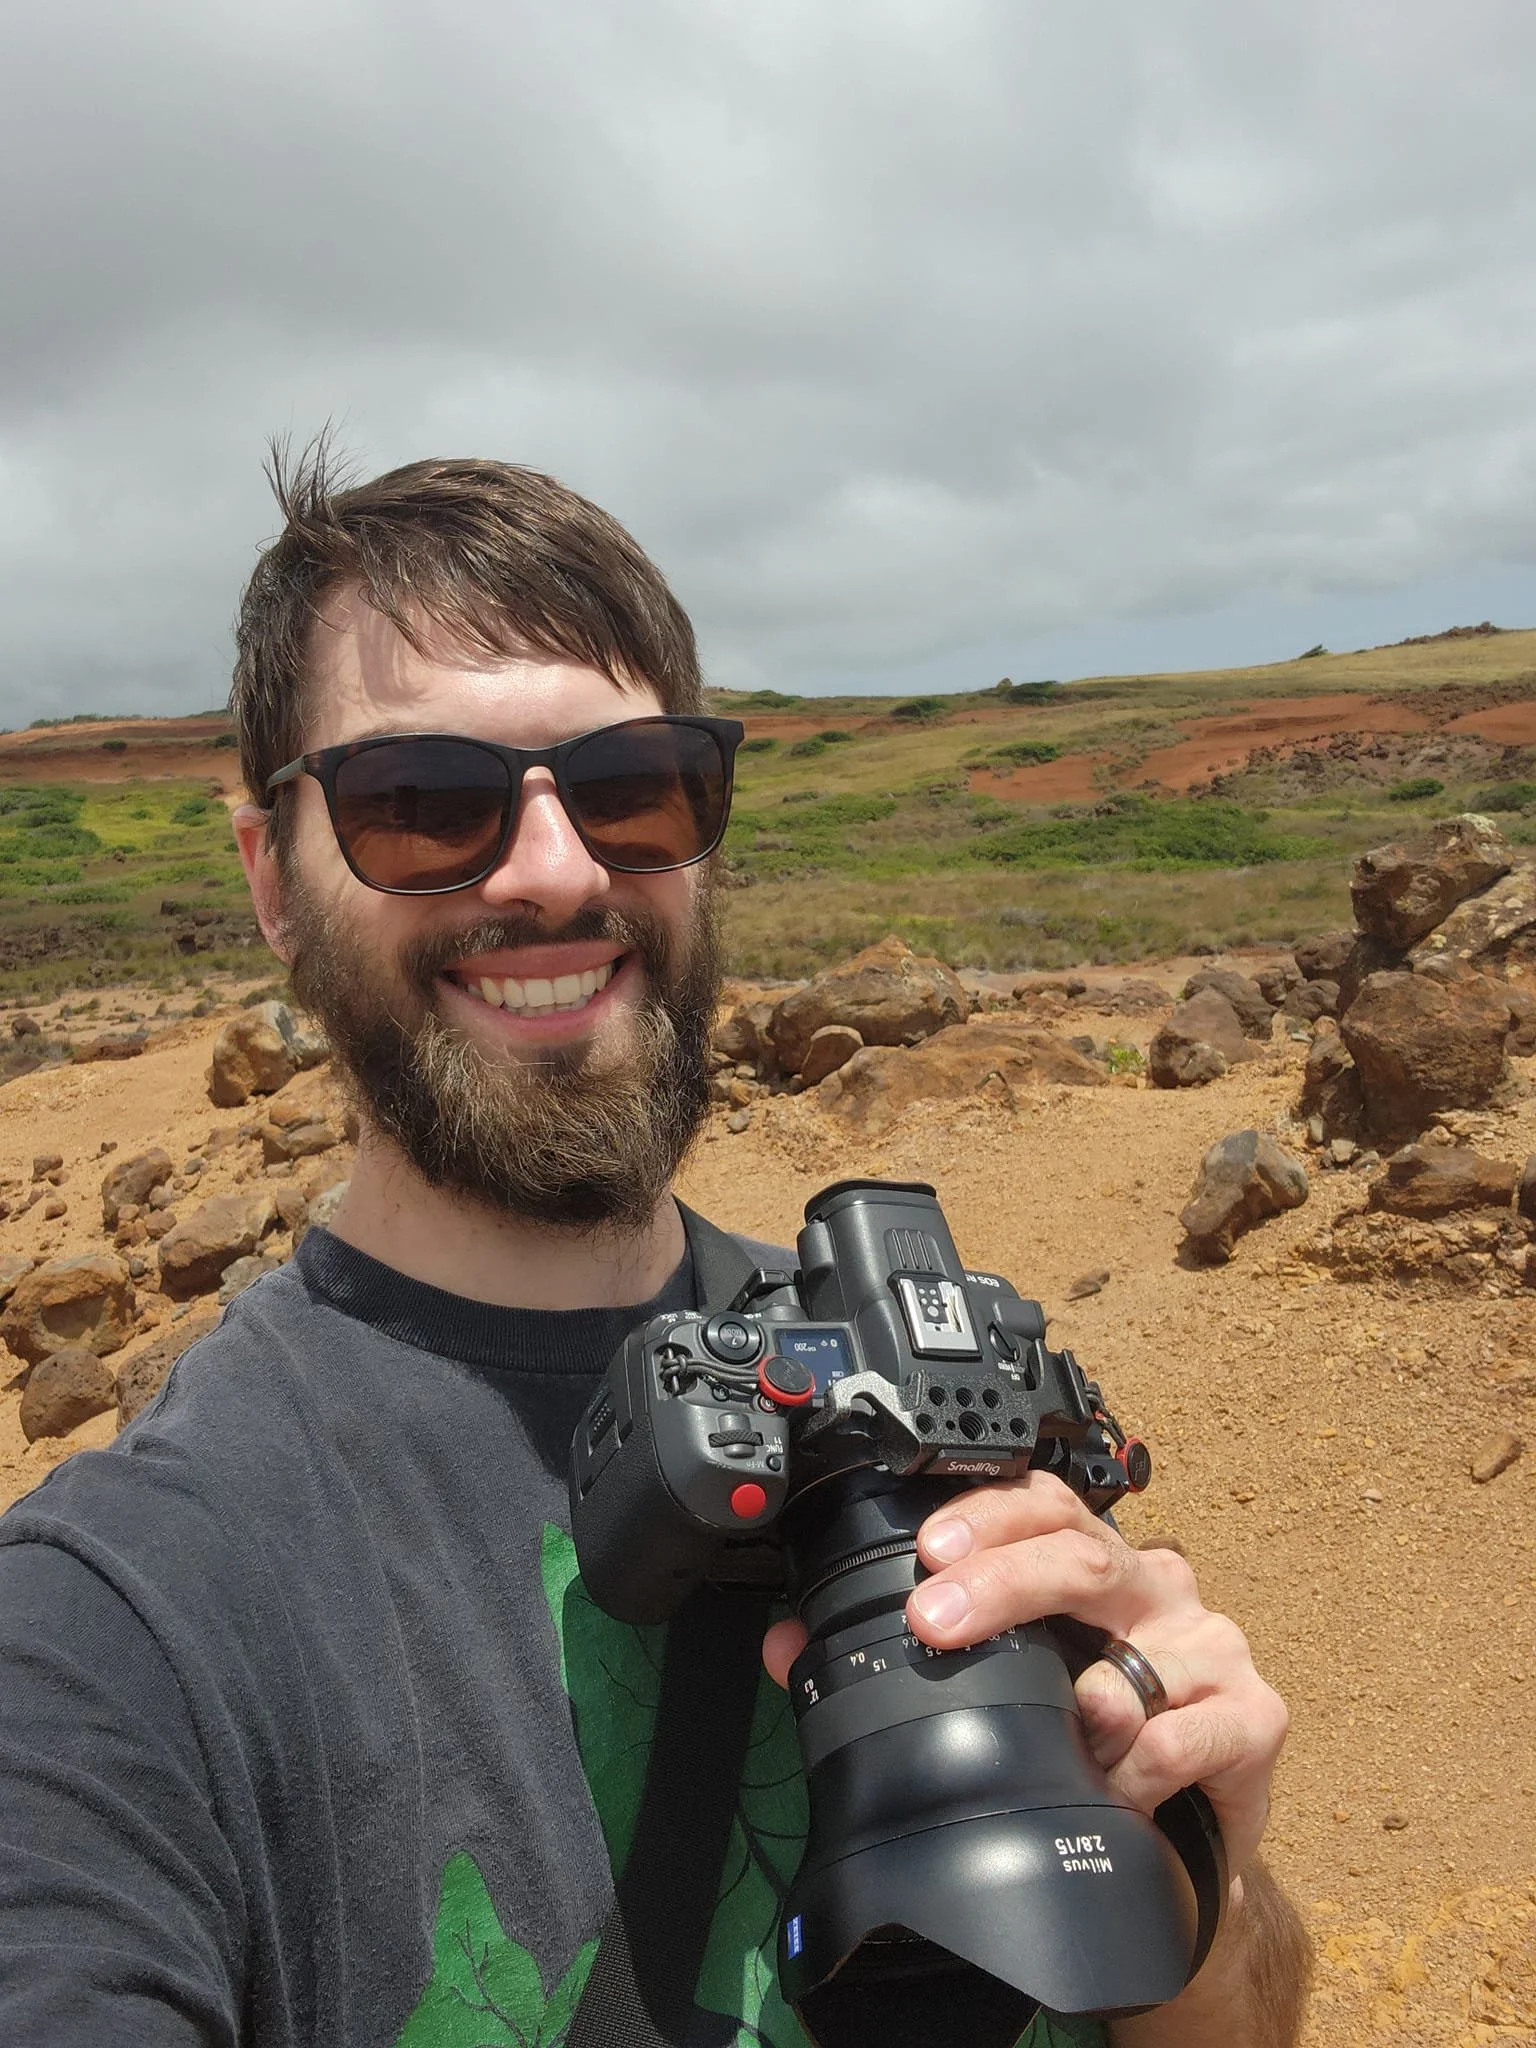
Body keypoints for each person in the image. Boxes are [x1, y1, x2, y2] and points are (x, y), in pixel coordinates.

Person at [0, 450, 1309, 2047]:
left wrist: (1209, 1879)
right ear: (275, 881)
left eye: (630, 789)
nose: (555, 871)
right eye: (423, 803)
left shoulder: (924, 1404)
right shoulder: (123, 1628)